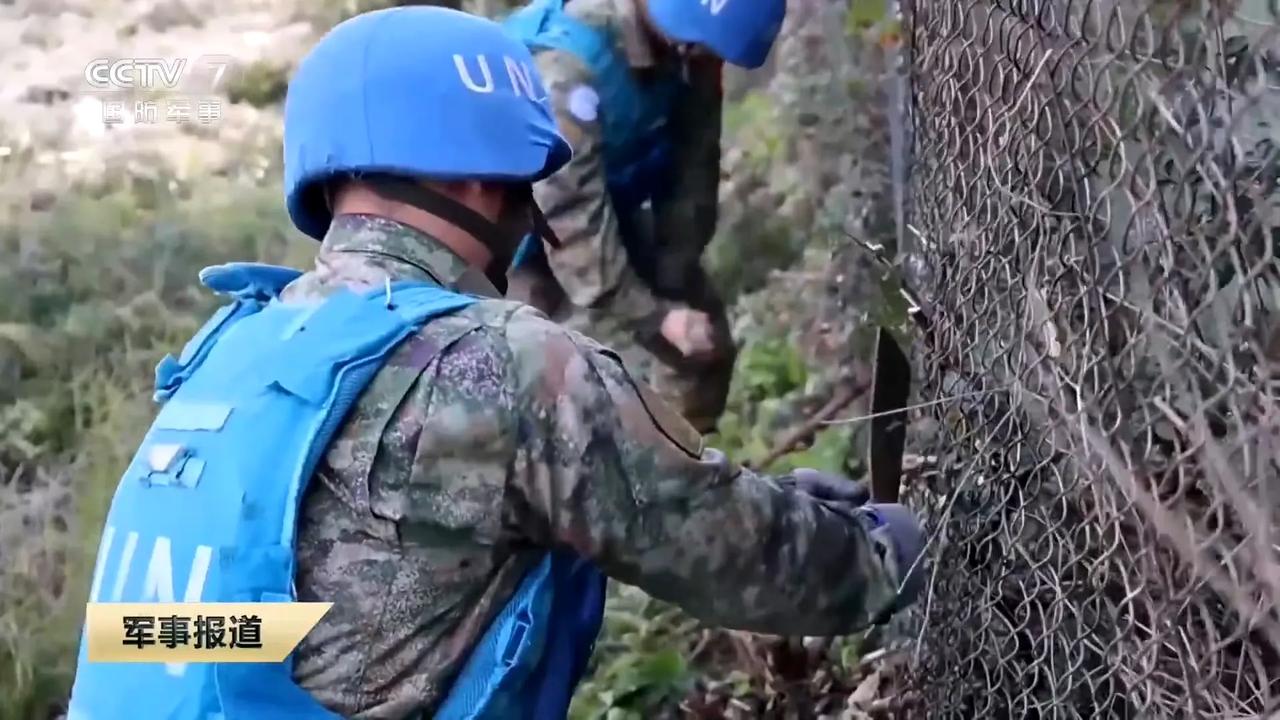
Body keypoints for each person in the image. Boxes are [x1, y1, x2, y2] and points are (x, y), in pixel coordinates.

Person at [64, 7, 925, 720]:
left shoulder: (240, 346)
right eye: (524, 179)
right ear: (485, 177)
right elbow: (751, 561)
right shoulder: (507, 362)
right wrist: (892, 548)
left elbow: (257, 624)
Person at [502, 0, 781, 434]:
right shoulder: (570, 68)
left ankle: (682, 473)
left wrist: (676, 283)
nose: (708, 63)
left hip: (606, 204)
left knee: (700, 343)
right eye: (699, 49)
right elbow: (568, 217)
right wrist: (653, 316)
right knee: (530, 375)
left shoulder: (690, 53)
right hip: (516, 229)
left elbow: (693, 170)